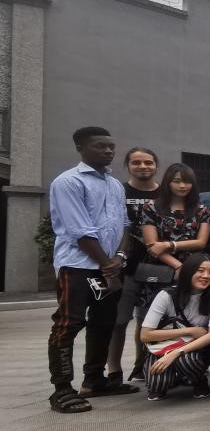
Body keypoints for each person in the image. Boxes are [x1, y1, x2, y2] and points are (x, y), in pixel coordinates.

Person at [46, 126, 129, 413]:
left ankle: (95, 380)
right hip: (78, 267)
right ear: (81, 148)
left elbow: (125, 225)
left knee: (104, 322)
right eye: (100, 146)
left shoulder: (115, 185)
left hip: (109, 267)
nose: (108, 151)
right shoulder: (68, 182)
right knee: (68, 323)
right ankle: (61, 389)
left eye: (111, 146)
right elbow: (79, 230)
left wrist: (119, 257)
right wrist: (107, 264)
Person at [105, 146, 160, 390]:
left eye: (148, 162)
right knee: (118, 321)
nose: (143, 167)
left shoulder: (163, 193)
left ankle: (141, 366)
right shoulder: (118, 190)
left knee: (147, 320)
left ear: (155, 165)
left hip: (155, 267)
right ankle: (113, 370)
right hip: (123, 266)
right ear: (127, 165)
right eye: (136, 162)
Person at [138, 253, 210, 400]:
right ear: (188, 272)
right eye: (200, 271)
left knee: (186, 361)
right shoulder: (166, 295)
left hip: (194, 348)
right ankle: (174, 377)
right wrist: (190, 330)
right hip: (164, 346)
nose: (206, 276)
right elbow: (145, 335)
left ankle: (198, 380)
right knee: (157, 384)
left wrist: (176, 353)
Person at [136, 164, 210, 313]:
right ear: (168, 182)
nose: (182, 186)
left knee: (188, 314)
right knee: (152, 316)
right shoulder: (151, 207)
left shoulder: (201, 210)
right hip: (159, 268)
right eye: (177, 181)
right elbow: (152, 245)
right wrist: (178, 266)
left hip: (192, 269)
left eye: (187, 181)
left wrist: (169, 245)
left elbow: (201, 242)